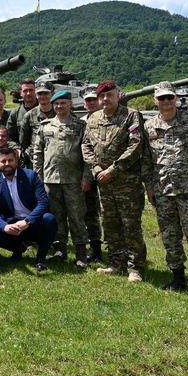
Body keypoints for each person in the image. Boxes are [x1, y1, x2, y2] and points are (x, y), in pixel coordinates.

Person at [142, 82, 188, 297]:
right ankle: (178, 278)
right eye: (162, 98)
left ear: (175, 99)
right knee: (170, 236)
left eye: (170, 97)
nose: (166, 101)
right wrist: (149, 187)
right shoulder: (149, 126)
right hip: (163, 190)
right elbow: (147, 161)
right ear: (155, 100)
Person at [82, 81, 147, 283]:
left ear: (118, 96)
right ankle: (115, 263)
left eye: (109, 95)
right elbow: (86, 145)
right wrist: (96, 168)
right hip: (104, 182)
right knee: (110, 224)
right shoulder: (93, 118)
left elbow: (135, 145)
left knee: (130, 225)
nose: (105, 99)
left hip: (126, 182)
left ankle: (135, 267)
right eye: (102, 96)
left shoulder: (131, 115)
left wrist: (113, 169)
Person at [32, 90, 91, 267]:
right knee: (56, 217)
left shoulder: (80, 126)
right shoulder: (45, 126)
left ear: (70, 104)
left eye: (63, 103)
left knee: (77, 217)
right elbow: (38, 153)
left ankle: (80, 253)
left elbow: (88, 155)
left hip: (74, 180)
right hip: (50, 179)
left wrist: (86, 178)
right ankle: (60, 249)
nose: (59, 106)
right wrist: (38, 178)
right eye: (56, 104)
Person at [0, 147, 58, 272]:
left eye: (10, 160)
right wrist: (4, 227)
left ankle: (41, 257)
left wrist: (27, 221)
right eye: (3, 161)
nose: (7, 164)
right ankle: (17, 248)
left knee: (49, 219)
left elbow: (43, 203)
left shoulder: (31, 176)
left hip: (31, 223)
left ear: (16, 161)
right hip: (11, 225)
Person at [80, 87, 103, 262]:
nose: (91, 103)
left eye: (94, 99)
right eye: (88, 100)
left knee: (109, 212)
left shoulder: (108, 119)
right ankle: (95, 248)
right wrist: (86, 177)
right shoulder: (81, 123)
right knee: (90, 212)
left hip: (106, 172)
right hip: (87, 172)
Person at [18, 81, 55, 152]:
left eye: (46, 93)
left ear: (52, 94)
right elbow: (23, 141)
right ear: (36, 95)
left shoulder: (61, 113)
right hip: (35, 159)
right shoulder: (29, 115)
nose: (43, 96)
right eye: (40, 94)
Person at [7, 78, 38, 147]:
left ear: (35, 91)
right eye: (25, 91)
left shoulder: (43, 109)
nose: (28, 93)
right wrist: (16, 148)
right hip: (23, 152)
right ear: (20, 93)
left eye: (31, 90)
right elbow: (9, 137)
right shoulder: (15, 113)